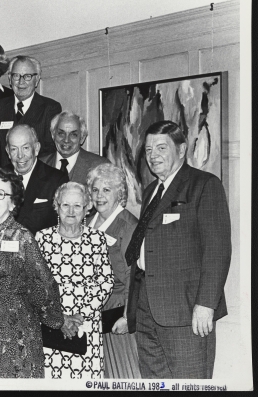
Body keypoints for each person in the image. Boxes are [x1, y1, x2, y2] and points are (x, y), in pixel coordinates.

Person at [125, 120, 231, 379]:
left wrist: (206, 304)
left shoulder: (204, 185)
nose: (153, 156)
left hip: (186, 311)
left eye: (161, 148)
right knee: (154, 383)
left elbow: (218, 250)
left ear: (182, 150)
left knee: (190, 382)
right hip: (147, 308)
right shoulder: (151, 190)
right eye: (148, 150)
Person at [0, 167, 64, 378]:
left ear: (13, 202)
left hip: (16, 331)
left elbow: (44, 285)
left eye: (0, 194)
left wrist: (52, 319)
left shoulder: (22, 237)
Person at [36, 182, 114, 379]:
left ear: (87, 208)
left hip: (85, 325)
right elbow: (35, 284)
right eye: (65, 205)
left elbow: (105, 282)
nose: (71, 211)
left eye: (77, 205)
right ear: (56, 206)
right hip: (51, 326)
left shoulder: (98, 239)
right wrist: (59, 318)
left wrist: (80, 315)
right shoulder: (42, 238)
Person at [86, 163, 140, 379]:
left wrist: (127, 317)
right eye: (96, 190)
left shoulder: (128, 225)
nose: (100, 196)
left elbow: (132, 276)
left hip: (116, 314)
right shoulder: (90, 221)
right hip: (94, 313)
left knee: (122, 375)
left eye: (106, 190)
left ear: (120, 193)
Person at [0, 55, 62, 166]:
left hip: (36, 178)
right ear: (9, 78)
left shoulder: (50, 108)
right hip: (4, 177)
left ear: (37, 79)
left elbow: (50, 152)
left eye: (27, 76)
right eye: (16, 76)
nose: (21, 82)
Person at [5, 124, 68, 235]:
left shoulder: (56, 180)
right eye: (14, 149)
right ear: (8, 152)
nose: (20, 156)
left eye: (25, 148)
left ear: (36, 149)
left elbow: (65, 225)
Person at [41, 111, 110, 186]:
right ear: (53, 135)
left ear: (82, 138)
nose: (66, 140)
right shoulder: (39, 165)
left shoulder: (100, 165)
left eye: (73, 135)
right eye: (61, 133)